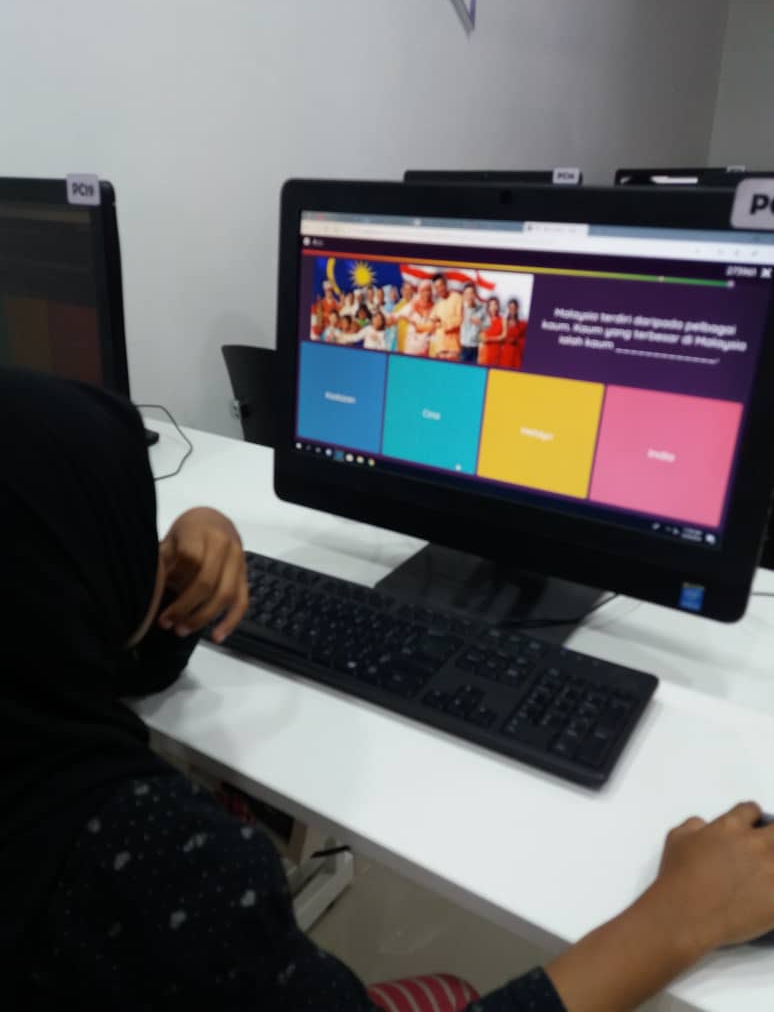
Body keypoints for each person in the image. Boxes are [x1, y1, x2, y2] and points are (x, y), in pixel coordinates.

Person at [6, 367, 774, 1010]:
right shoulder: (164, 863)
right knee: (455, 987)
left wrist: (183, 558)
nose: (152, 546)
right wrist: (679, 919)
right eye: (132, 535)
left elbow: (97, 665)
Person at [429, 273, 462, 360]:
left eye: (441, 286)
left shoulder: (457, 297)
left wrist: (443, 323)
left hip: (453, 349)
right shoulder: (438, 303)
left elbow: (460, 319)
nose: (439, 289)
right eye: (436, 287)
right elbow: (431, 320)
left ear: (446, 284)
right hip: (440, 349)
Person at [402, 279, 436, 357]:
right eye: (424, 291)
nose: (426, 293)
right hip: (410, 348)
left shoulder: (435, 308)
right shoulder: (412, 306)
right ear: (419, 292)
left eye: (428, 290)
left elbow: (433, 331)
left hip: (425, 350)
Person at [460, 283, 489, 364]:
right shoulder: (461, 309)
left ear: (475, 294)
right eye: (466, 294)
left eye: (471, 293)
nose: (469, 296)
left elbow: (486, 327)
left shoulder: (481, 309)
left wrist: (479, 323)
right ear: (464, 295)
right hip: (463, 348)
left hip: (476, 349)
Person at [478, 296, 505, 367]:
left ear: (498, 306)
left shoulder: (502, 320)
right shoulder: (484, 320)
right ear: (488, 307)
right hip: (485, 352)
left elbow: (503, 336)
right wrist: (483, 338)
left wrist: (489, 339)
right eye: (491, 305)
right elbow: (481, 337)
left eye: (495, 304)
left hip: (497, 352)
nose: (493, 307)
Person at [501, 298, 527, 370]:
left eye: (514, 308)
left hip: (516, 354)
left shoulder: (523, 323)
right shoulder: (503, 322)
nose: (512, 310)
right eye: (510, 308)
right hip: (505, 353)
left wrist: (517, 341)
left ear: (517, 308)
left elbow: (525, 339)